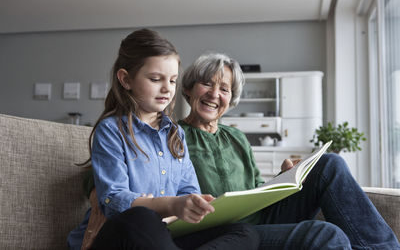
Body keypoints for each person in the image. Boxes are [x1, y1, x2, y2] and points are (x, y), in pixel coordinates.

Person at [178, 52, 400, 249]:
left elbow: (256, 189)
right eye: (207, 84)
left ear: (231, 98)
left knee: (330, 163)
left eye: (224, 89)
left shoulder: (235, 137)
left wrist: (282, 180)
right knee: (326, 234)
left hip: (262, 218)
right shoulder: (174, 137)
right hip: (228, 234)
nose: (214, 94)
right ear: (188, 88)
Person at [67, 30, 260, 250]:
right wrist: (171, 205)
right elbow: (114, 201)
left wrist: (191, 205)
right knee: (141, 216)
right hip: (122, 236)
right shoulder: (111, 130)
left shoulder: (175, 134)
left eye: (172, 80)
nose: (167, 88)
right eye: (155, 79)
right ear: (126, 79)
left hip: (165, 234)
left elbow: (189, 191)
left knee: (243, 231)